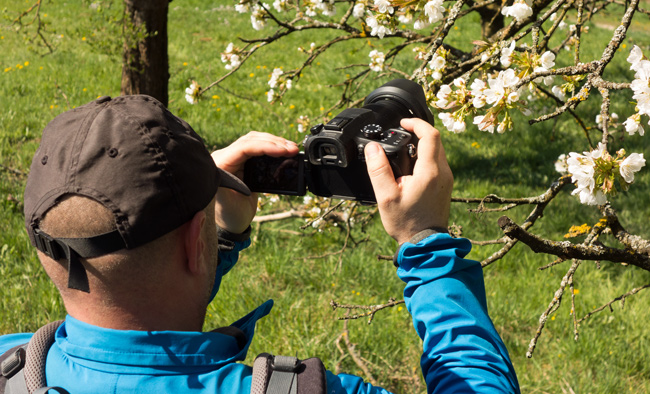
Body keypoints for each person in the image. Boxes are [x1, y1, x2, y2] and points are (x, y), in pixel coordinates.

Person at [0, 94, 520, 393]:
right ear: (193, 239)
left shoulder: (14, 368)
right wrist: (425, 240)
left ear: (46, 246)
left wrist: (212, 238)